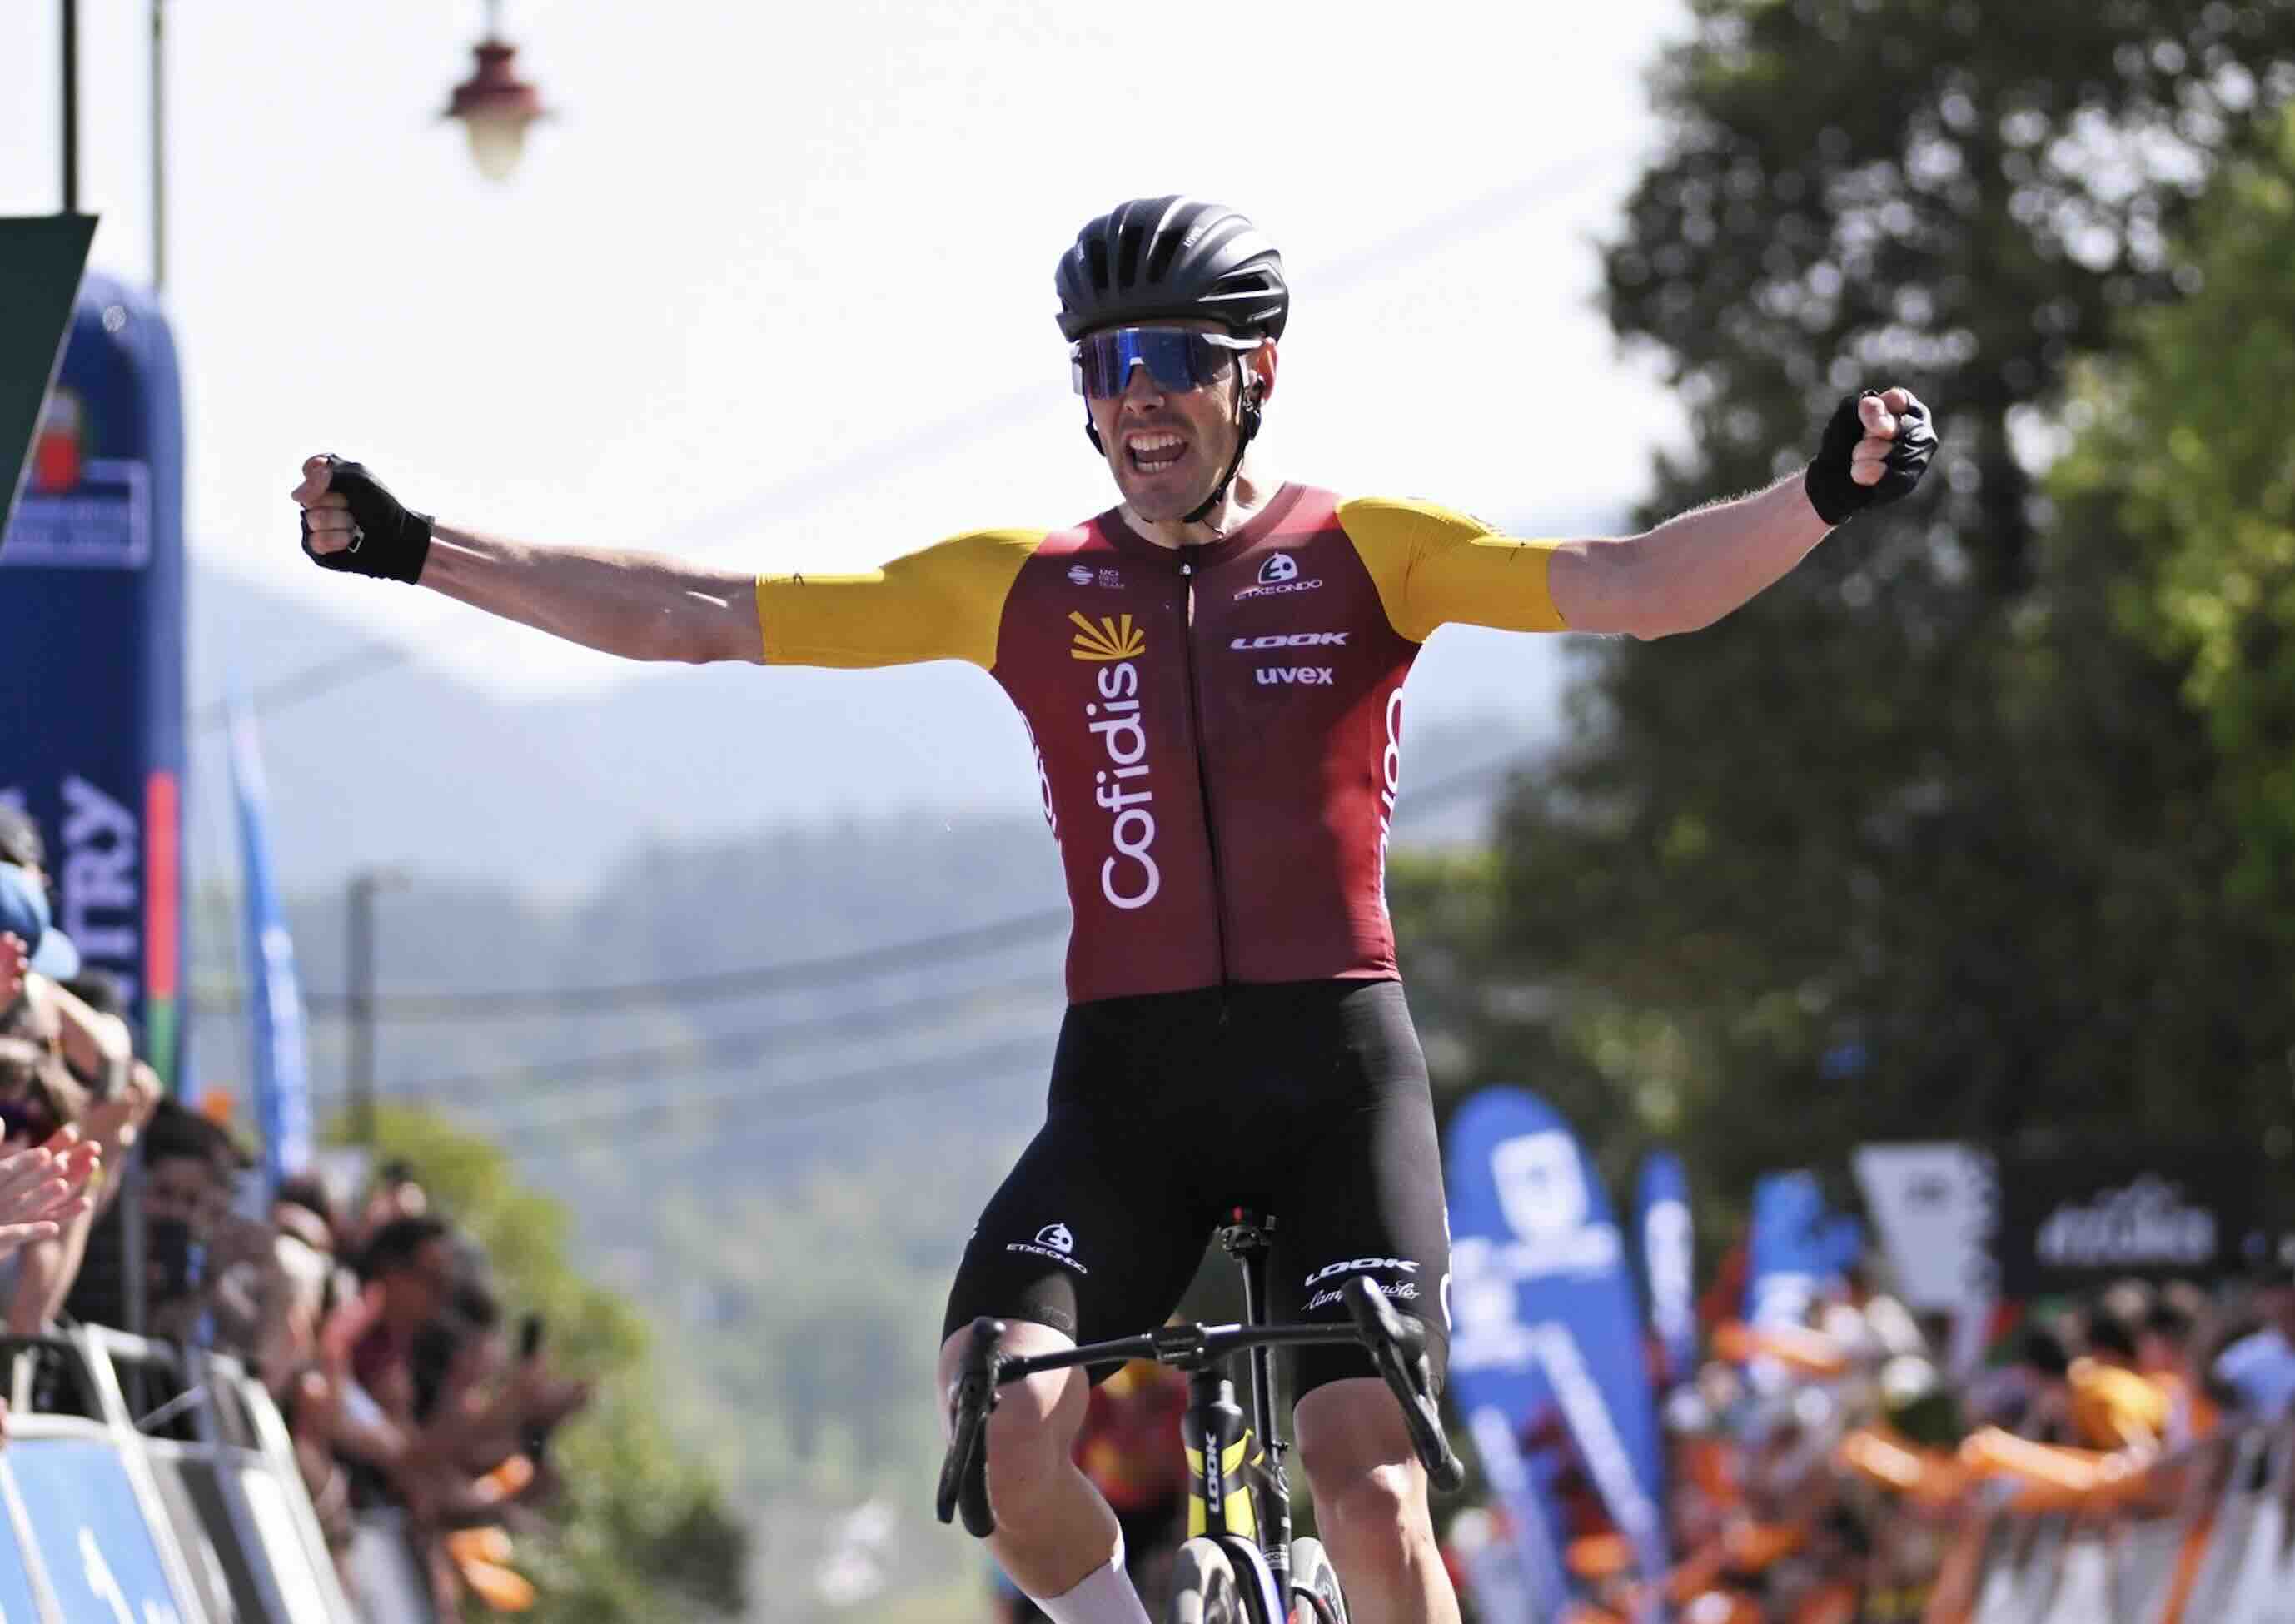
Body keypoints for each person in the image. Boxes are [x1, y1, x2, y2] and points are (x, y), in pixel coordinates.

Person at [288, 195, 1934, 1624]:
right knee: (998, 1424)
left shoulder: (1370, 554)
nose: (1135, 395)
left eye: (1171, 360)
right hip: (1130, 1094)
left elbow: (1636, 589)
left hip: (1332, 1081)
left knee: (1366, 1488)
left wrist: (1821, 493)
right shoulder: (1023, 583)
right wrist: (423, 549)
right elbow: (698, 613)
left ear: (1254, 373)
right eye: (1103, 365)